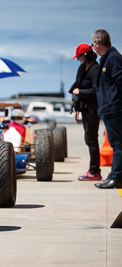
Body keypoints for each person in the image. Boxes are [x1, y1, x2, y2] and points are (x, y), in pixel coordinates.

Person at [91, 29, 122, 189]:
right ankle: (115, 175)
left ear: (98, 43)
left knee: (117, 144)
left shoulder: (113, 57)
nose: (93, 47)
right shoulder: (106, 58)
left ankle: (116, 177)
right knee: (117, 143)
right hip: (108, 108)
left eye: (93, 44)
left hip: (114, 108)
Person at [69, 43, 101, 181]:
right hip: (85, 109)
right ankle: (93, 170)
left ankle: (95, 171)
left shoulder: (95, 69)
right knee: (89, 139)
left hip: (93, 109)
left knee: (91, 139)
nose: (78, 60)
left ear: (86, 55)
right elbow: (77, 86)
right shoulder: (83, 68)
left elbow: (96, 90)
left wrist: (80, 92)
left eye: (79, 57)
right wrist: (77, 107)